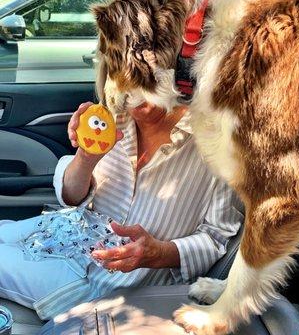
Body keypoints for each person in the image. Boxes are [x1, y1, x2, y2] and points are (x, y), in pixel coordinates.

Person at [0, 101, 243, 319]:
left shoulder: (218, 143)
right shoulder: (112, 116)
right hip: (65, 234)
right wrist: (86, 157)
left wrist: (159, 253)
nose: (131, 91)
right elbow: (72, 197)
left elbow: (217, 238)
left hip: (102, 284)